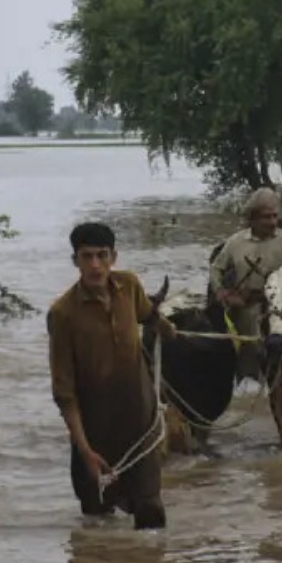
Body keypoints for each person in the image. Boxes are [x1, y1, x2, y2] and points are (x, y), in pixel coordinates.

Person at [47, 222, 177, 529]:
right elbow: (64, 394)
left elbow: (148, 315)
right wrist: (85, 452)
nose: (95, 265)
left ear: (113, 257)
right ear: (75, 261)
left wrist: (169, 330)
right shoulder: (62, 314)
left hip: (140, 428)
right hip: (95, 437)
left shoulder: (129, 286)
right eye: (87, 256)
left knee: (151, 516)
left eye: (102, 256)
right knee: (96, 526)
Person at [209, 187, 282, 381]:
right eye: (266, 217)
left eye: (275, 216)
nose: (272, 222)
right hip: (247, 309)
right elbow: (216, 268)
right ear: (252, 218)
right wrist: (221, 292)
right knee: (248, 362)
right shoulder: (235, 243)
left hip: (281, 312)